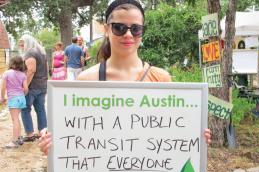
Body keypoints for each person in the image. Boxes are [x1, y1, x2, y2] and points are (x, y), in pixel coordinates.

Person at [39, 0, 211, 155]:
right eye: (119, 28)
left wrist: (194, 137)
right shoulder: (87, 80)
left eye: (135, 29)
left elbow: (171, 134)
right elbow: (75, 135)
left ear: (142, 32)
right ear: (106, 30)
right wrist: (54, 142)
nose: (128, 35)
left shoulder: (161, 78)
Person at [19, 34, 48, 142]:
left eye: (22, 43)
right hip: (42, 85)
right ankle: (43, 132)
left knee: (25, 109)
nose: (20, 45)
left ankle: (30, 134)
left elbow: (31, 71)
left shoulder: (30, 53)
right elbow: (47, 67)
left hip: (32, 86)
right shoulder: (42, 52)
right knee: (40, 109)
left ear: (27, 42)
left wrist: (25, 86)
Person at [1, 56, 28, 148]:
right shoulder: (22, 74)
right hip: (21, 98)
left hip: (13, 98)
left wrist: (2, 98)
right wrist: (21, 94)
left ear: (12, 63)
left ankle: (14, 141)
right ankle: (19, 137)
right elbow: (26, 89)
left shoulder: (7, 73)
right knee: (17, 118)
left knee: (14, 119)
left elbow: (3, 88)